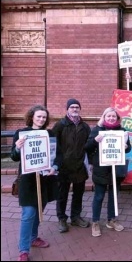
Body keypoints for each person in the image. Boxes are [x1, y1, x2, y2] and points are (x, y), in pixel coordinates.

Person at [10, 105, 62, 262]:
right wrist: (18, 148)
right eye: (39, 116)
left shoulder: (50, 133)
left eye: (44, 117)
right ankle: (23, 250)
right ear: (32, 116)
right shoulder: (21, 134)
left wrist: (55, 167)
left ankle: (33, 238)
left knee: (39, 211)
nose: (41, 119)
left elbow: (58, 155)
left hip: (45, 180)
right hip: (28, 181)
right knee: (28, 214)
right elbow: (14, 157)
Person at [84, 107, 132, 237]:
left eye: (113, 116)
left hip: (116, 169)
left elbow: (128, 149)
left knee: (113, 196)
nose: (111, 118)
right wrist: (95, 140)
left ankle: (111, 220)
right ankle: (95, 222)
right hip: (101, 169)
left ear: (117, 118)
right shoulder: (97, 130)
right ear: (104, 117)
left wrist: (126, 147)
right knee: (99, 196)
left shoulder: (122, 131)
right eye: (108, 116)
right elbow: (87, 147)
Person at [52, 98, 91, 233]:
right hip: (63, 167)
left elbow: (89, 145)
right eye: (72, 107)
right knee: (62, 194)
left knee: (78, 194)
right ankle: (62, 218)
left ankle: (76, 217)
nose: (75, 109)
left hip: (79, 166)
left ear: (80, 109)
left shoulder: (85, 127)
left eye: (77, 107)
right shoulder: (60, 125)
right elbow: (53, 145)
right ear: (67, 109)